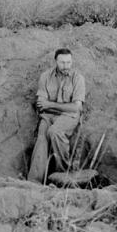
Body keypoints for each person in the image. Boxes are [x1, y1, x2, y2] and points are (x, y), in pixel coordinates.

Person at [27, 48, 85, 183]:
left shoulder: (78, 79)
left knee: (55, 131)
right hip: (48, 116)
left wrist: (50, 105)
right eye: (63, 62)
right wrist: (48, 106)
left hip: (69, 116)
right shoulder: (45, 76)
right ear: (56, 62)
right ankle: (34, 182)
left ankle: (63, 174)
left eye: (69, 62)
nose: (66, 66)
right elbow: (41, 104)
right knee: (42, 139)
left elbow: (76, 107)